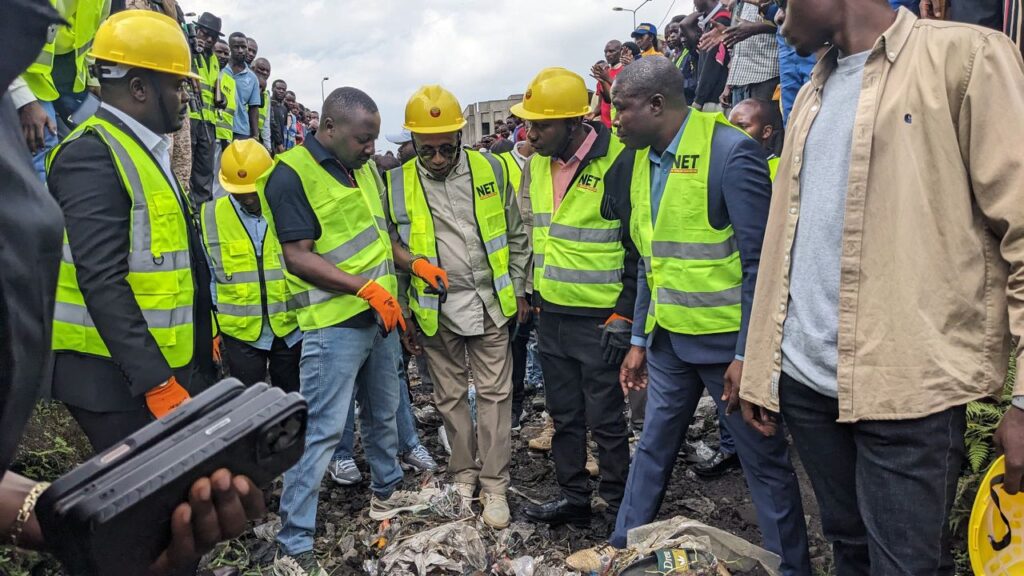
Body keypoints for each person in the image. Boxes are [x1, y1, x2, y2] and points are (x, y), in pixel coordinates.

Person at [737, 0, 1024, 573]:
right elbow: (785, 241)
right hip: (807, 386)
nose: (775, 16)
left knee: (905, 563)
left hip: (908, 395)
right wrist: (760, 364)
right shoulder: (810, 97)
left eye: (783, 3)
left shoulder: (965, 58)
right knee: (850, 547)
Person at [568, 56, 811, 575]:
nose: (613, 120)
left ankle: (792, 569)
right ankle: (622, 548)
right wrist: (637, 340)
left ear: (657, 105)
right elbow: (652, 262)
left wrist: (749, 355)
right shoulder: (639, 162)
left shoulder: (730, 153)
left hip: (728, 350)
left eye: (622, 108)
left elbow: (761, 269)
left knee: (763, 465)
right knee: (652, 449)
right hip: (670, 342)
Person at [260, 86, 434, 575]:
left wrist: (414, 264)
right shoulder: (290, 174)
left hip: (377, 318)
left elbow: (384, 238)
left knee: (385, 411)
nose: (370, 149)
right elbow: (298, 255)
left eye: (374, 140)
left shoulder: (364, 171)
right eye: (363, 140)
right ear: (329, 127)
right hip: (332, 325)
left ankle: (388, 494)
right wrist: (364, 290)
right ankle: (293, 543)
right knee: (321, 432)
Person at [47, 9, 217, 453]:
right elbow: (101, 278)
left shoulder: (145, 150)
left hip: (160, 365)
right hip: (113, 380)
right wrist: (155, 381)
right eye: (177, 85)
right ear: (139, 88)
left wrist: (204, 338)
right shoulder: (92, 154)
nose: (185, 96)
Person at [386, 85, 531, 530]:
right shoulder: (394, 183)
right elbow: (390, 246)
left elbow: (516, 231)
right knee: (449, 398)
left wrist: (522, 289)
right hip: (435, 309)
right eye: (425, 149)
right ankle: (464, 474)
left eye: (444, 148)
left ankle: (495, 486)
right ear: (411, 141)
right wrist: (406, 311)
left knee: (495, 397)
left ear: (461, 136)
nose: (435, 158)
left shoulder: (492, 168)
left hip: (489, 303)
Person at [510, 67, 635, 532]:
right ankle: (574, 499)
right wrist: (531, 294)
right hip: (553, 314)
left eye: (540, 125)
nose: (530, 133)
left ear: (573, 122)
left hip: (602, 318)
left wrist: (625, 310)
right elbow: (530, 234)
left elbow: (636, 245)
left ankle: (618, 506)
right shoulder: (536, 166)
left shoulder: (619, 159)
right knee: (563, 416)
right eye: (528, 123)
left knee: (605, 419)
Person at [200, 139, 301, 394]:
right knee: (249, 408)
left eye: (253, 191)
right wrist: (212, 329)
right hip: (240, 334)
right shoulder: (210, 216)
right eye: (239, 192)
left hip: (289, 327)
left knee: (293, 402)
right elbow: (208, 276)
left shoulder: (289, 206)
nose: (247, 199)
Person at [494, 136, 537, 430]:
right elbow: (515, 227)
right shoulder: (501, 165)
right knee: (517, 344)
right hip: (522, 271)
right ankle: (514, 405)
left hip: (551, 274)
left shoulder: (541, 164)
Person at [188, 11, 223, 204]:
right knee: (185, 168)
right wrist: (192, 49)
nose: (208, 39)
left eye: (213, 36)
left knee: (204, 171)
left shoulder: (215, 61)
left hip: (209, 123)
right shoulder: (188, 50)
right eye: (204, 33)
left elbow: (214, 89)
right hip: (190, 117)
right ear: (197, 31)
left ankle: (202, 212)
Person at [720, 0, 780, 108]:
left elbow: (787, 22)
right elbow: (737, 47)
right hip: (739, 80)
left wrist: (756, 28)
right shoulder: (737, 3)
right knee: (738, 124)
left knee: (763, 123)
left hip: (766, 76)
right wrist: (728, 85)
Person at [221, 32, 261, 143]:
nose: (240, 50)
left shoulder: (252, 78)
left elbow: (254, 108)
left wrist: (255, 136)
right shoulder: (221, 69)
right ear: (230, 48)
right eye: (236, 47)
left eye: (243, 47)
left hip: (241, 131)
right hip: (219, 126)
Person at [693, 0, 733, 111]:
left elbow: (713, 64)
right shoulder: (710, 21)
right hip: (709, 96)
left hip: (715, 99)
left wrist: (699, 99)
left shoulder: (721, 20)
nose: (693, 3)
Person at [728, 97, 782, 168]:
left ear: (766, 132)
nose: (733, 132)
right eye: (730, 127)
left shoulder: (780, 168)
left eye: (742, 126)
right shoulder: (726, 162)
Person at [588, 39, 623, 128]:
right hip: (605, 126)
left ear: (621, 51)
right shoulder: (603, 73)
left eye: (611, 51)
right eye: (606, 52)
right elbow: (603, 102)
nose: (607, 54)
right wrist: (593, 114)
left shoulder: (625, 70)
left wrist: (607, 78)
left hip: (619, 124)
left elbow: (625, 92)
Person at [252, 57, 272, 150]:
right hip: (242, 134)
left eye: (267, 71)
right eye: (261, 69)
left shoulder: (266, 96)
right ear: (253, 68)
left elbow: (266, 125)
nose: (264, 73)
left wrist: (268, 147)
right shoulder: (245, 84)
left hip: (256, 138)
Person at [270, 78, 288, 155]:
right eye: (278, 88)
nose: (281, 91)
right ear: (272, 89)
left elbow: (282, 128)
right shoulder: (268, 104)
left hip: (279, 147)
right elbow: (272, 124)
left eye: (283, 89)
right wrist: (279, 143)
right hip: (268, 143)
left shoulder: (284, 109)